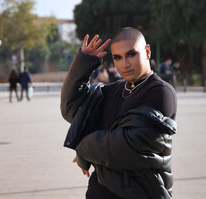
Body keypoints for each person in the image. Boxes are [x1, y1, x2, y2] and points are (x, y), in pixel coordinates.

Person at [61, 27, 177, 199]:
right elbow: (73, 110)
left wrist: (84, 149)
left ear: (147, 51)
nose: (125, 63)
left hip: (142, 192)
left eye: (132, 54)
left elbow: (133, 144)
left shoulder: (160, 92)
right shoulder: (113, 90)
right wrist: (83, 63)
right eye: (117, 58)